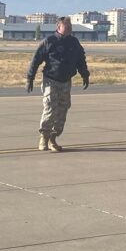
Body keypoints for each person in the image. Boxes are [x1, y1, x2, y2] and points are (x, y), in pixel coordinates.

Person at [26, 17, 89, 152]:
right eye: (67, 26)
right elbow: (36, 59)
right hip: (51, 80)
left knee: (63, 109)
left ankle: (53, 138)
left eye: (71, 26)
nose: (70, 28)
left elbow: (80, 59)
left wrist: (85, 74)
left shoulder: (74, 42)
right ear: (59, 27)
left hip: (66, 81)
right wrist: (30, 78)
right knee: (50, 107)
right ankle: (44, 136)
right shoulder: (50, 41)